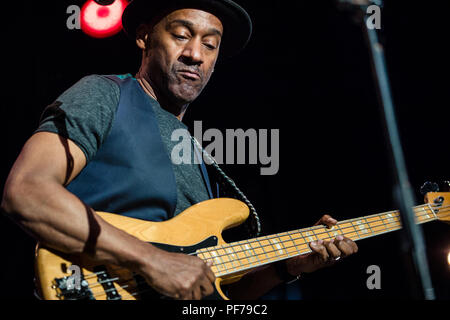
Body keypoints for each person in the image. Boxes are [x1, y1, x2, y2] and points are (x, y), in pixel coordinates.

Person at [1, 0, 358, 300]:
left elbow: (209, 291)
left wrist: (287, 266)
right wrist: (151, 260)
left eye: (210, 44)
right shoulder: (105, 94)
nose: (194, 54)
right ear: (144, 37)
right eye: (181, 35)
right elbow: (27, 192)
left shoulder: (198, 158)